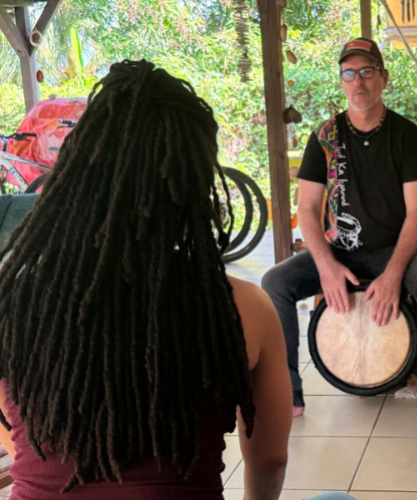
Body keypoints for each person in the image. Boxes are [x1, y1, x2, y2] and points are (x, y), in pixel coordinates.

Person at [0, 59, 340, 500]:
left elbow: (18, 440)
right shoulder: (241, 309)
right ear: (194, 187)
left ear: (75, 174)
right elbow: (270, 459)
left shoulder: (13, 302)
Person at [261, 38, 417, 437]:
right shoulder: (324, 136)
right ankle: (289, 394)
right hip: (340, 252)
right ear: (342, 81)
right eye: (349, 73)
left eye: (367, 72)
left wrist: (393, 274)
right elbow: (307, 209)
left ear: (383, 78)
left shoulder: (406, 135)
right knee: (275, 283)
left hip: (398, 249)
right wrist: (326, 265)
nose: (358, 81)